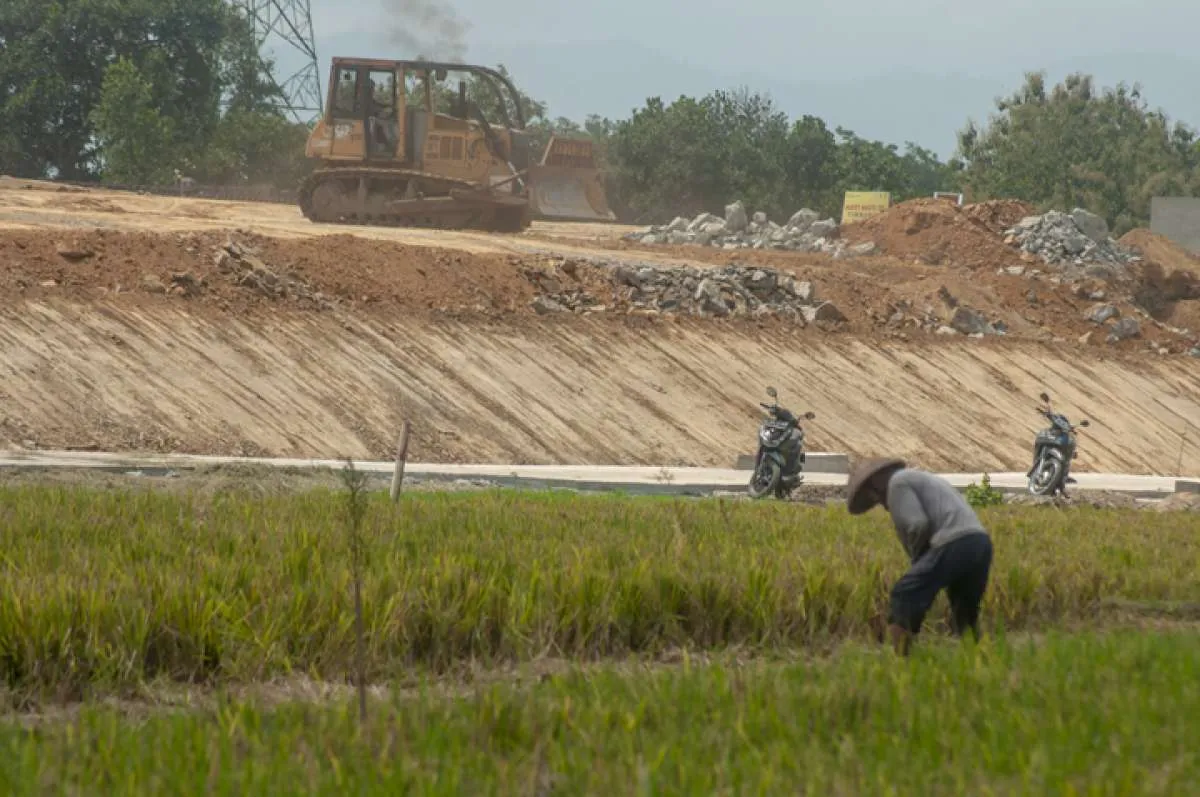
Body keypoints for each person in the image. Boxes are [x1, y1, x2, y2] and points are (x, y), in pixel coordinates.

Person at [845, 458, 994, 656]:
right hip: (979, 543)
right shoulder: (919, 478)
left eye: (874, 497)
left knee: (904, 594)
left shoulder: (897, 483)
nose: (879, 503)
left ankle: (903, 664)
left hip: (953, 542)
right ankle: (980, 661)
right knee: (965, 611)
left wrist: (918, 560)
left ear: (875, 485)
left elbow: (917, 525)